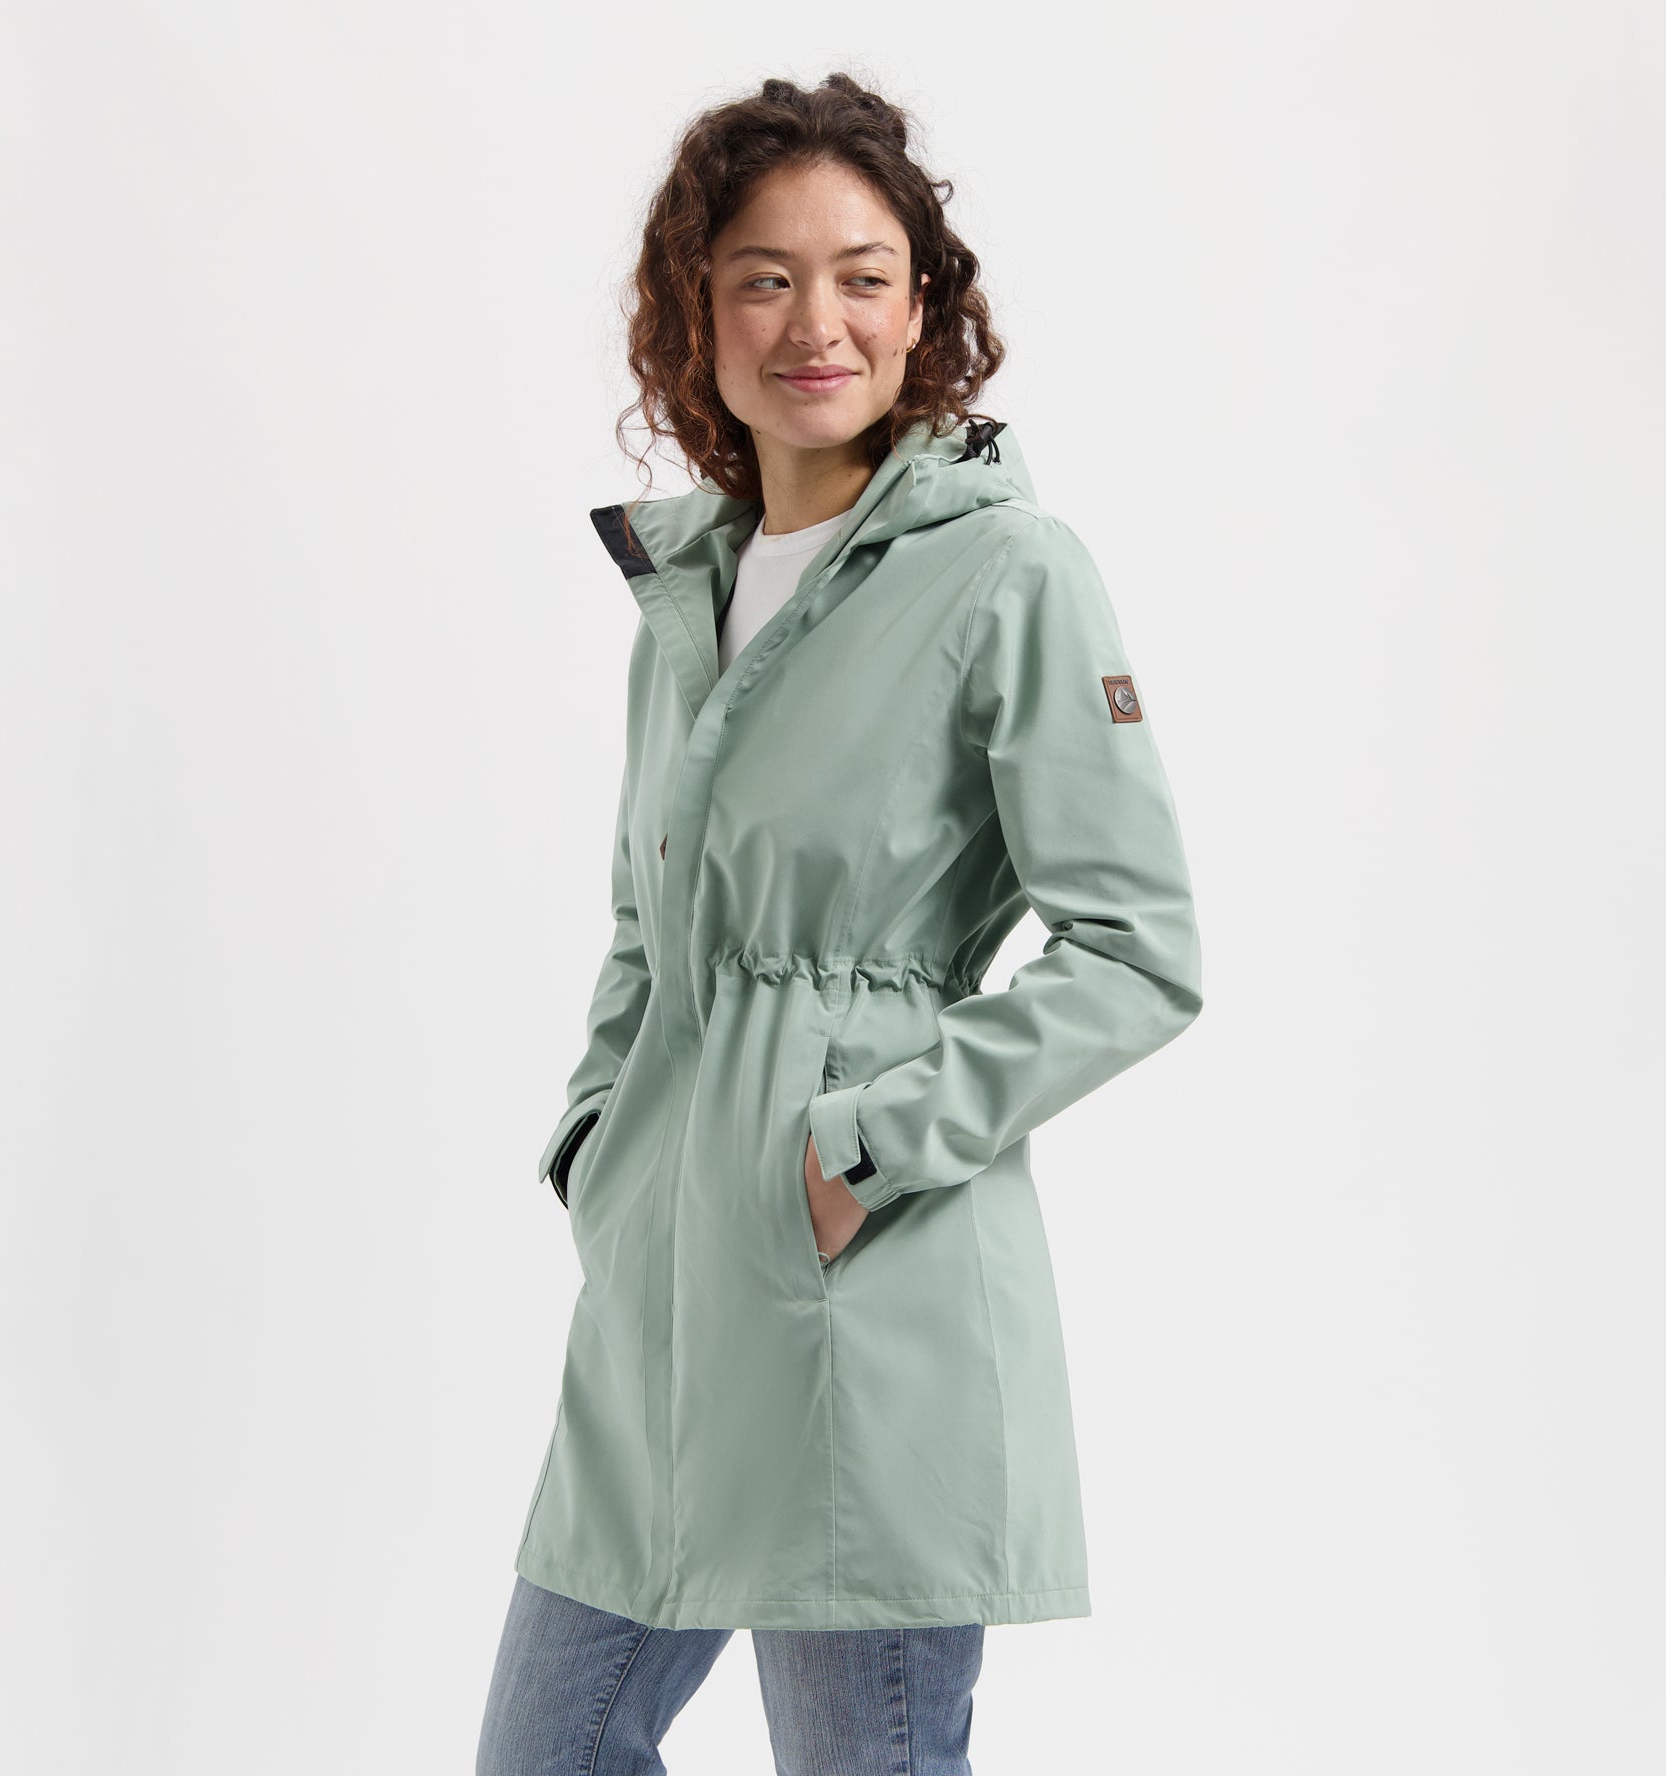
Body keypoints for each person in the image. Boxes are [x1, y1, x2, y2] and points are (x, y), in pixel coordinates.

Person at [476, 71, 1204, 1776]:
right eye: (765, 277)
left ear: (922, 308)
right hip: (663, 1306)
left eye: (864, 276)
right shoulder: (687, 589)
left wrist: (864, 1146)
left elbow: (1139, 951)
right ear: (698, 311)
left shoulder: (1009, 573)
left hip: (864, 1290)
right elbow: (649, 927)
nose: (818, 322)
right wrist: (600, 1143)